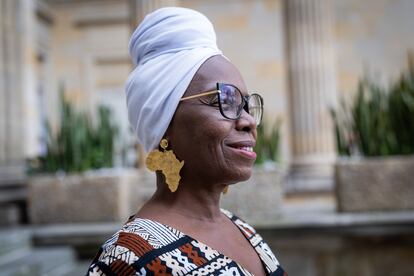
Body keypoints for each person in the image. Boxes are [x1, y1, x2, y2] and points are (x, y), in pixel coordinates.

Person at [87, 7, 286, 276]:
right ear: (164, 124)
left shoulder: (241, 228)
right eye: (223, 100)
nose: (248, 121)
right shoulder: (128, 261)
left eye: (247, 105)